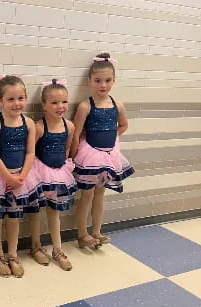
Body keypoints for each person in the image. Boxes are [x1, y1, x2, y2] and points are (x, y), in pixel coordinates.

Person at [71, 53, 135, 249]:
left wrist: (112, 139)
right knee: (87, 196)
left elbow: (123, 125)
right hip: (89, 155)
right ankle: (82, 234)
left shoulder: (118, 105)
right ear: (90, 81)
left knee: (100, 195)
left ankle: (96, 231)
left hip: (108, 156)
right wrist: (72, 157)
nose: (103, 85)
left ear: (114, 81)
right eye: (98, 81)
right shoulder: (85, 106)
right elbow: (75, 133)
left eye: (107, 81)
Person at [0, 75, 43, 278]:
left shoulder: (29, 123)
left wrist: (22, 176)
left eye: (20, 98)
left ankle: (12, 254)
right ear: (0, 101)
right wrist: (8, 178)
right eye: (10, 99)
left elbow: (30, 152)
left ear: (26, 98)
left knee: (14, 218)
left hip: (22, 176)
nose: (16, 103)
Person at [28, 79, 77, 271]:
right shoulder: (39, 127)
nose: (60, 106)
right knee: (35, 211)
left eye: (64, 102)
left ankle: (58, 249)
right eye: (55, 102)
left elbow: (66, 150)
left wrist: (61, 168)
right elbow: (30, 151)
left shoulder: (69, 126)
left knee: (54, 212)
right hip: (39, 173)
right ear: (44, 105)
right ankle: (36, 246)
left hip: (58, 173)